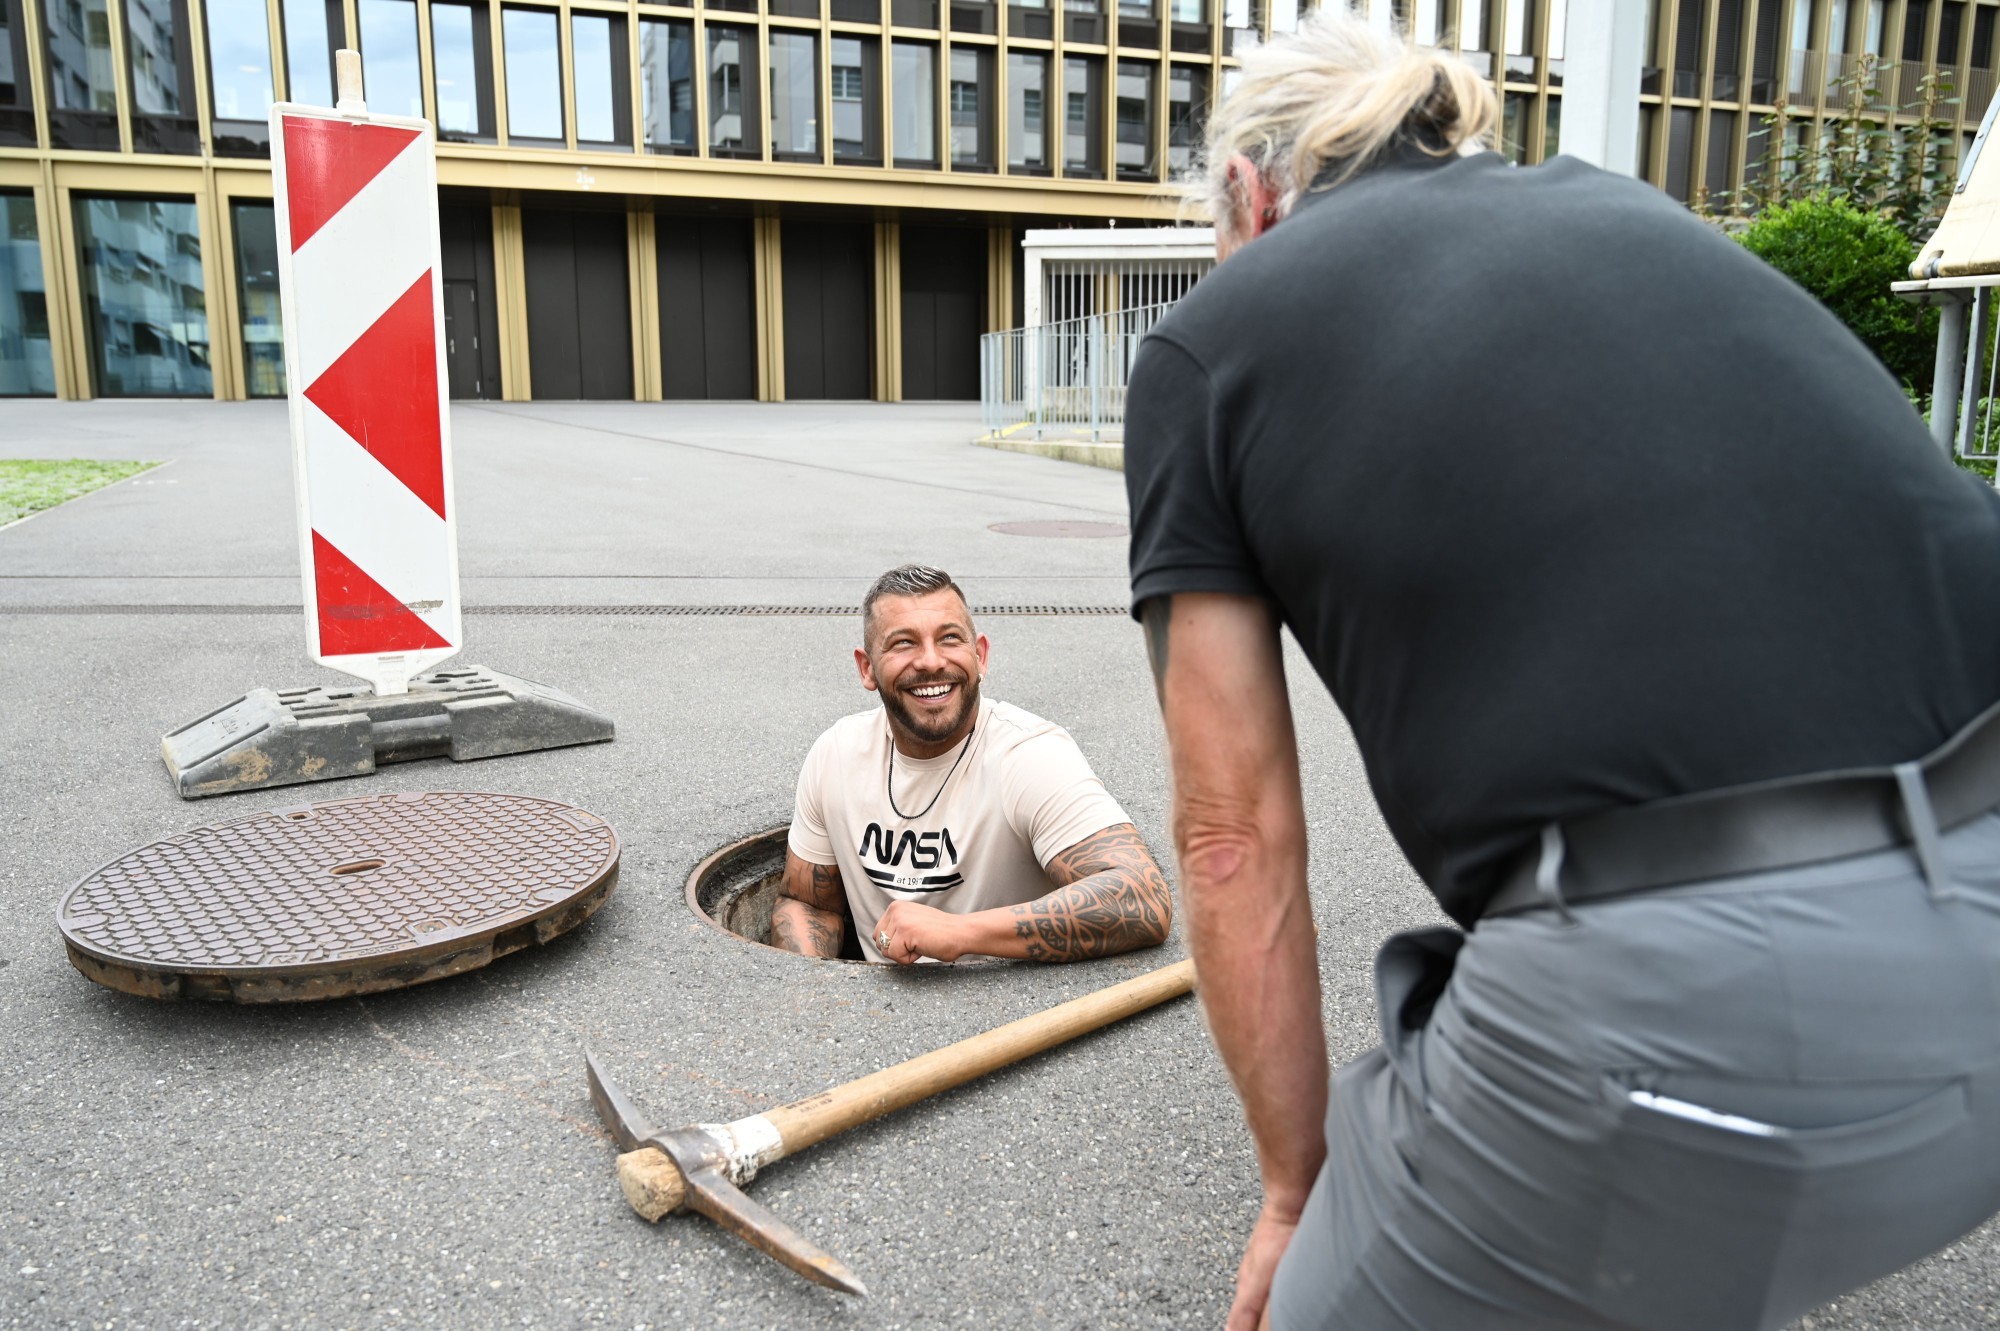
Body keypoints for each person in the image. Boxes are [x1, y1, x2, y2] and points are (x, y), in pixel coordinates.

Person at [1124, 13, 2000, 1331]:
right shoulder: (1631, 216)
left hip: (1700, 1030)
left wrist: (1300, 1195)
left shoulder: (1212, 340)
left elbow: (1234, 836)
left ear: (1251, 192)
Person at [771, 563, 1171, 965]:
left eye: (949, 638)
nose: (930, 661)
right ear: (867, 668)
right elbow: (807, 903)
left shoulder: (1028, 754)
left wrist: (961, 932)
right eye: (903, 643)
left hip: (1014, 1015)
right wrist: (816, 996)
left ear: (980, 656)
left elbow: (1142, 897)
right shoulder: (835, 755)